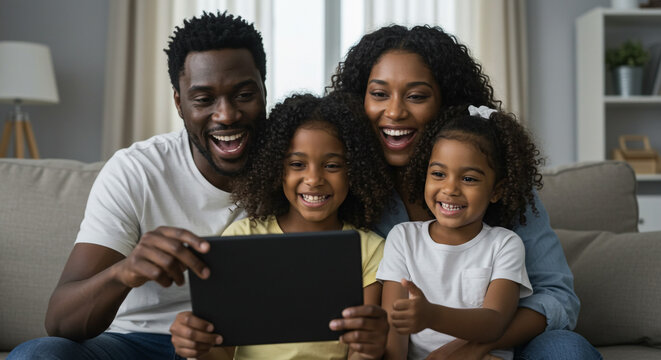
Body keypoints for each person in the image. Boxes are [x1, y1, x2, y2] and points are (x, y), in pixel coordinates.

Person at [8, 12, 386, 360]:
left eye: (243, 94)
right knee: (39, 354)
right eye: (204, 99)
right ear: (178, 102)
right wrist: (126, 270)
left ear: (263, 90)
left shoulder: (291, 158)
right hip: (133, 342)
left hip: (230, 346)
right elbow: (60, 322)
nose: (226, 115)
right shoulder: (137, 171)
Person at [330, 25, 602, 359]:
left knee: (566, 351)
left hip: (503, 345)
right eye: (379, 93)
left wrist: (468, 350)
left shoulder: (505, 186)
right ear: (359, 101)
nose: (395, 111)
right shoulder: (344, 184)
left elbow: (556, 296)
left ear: (447, 102)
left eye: (416, 96)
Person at [170, 93, 393, 360]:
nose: (313, 179)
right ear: (277, 169)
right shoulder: (241, 240)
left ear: (354, 171)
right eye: (297, 164)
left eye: (332, 165)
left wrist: (371, 349)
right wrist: (195, 343)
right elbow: (220, 351)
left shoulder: (370, 250)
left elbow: (360, 350)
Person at [378, 105, 542, 360]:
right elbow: (395, 331)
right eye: (439, 174)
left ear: (497, 191)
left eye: (469, 179)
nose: (450, 188)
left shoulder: (504, 244)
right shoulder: (402, 238)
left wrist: (432, 315)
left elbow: (494, 322)